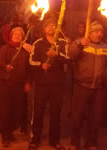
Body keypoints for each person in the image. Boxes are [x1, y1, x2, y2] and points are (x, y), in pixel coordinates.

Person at [69, 21, 107, 150]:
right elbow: (71, 55)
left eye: (101, 31)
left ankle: (91, 143)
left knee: (95, 118)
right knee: (77, 117)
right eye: (96, 31)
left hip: (98, 89)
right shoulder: (81, 43)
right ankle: (74, 143)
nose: (99, 34)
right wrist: (79, 45)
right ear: (89, 33)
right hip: (82, 86)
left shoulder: (106, 48)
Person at [28, 18, 69, 150]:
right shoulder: (38, 43)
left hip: (57, 83)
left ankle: (54, 140)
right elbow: (31, 61)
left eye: (54, 25)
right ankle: (35, 140)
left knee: (56, 112)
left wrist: (57, 55)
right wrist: (41, 65)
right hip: (41, 84)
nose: (51, 27)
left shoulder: (62, 42)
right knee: (38, 112)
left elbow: (68, 59)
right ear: (44, 29)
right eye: (48, 26)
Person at [0, 27, 31, 147]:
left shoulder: (25, 50)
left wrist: (27, 82)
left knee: (16, 111)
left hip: (19, 85)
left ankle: (10, 132)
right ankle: (5, 136)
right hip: (7, 84)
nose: (17, 35)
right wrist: (6, 67)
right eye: (15, 34)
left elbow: (28, 68)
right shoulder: (5, 48)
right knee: (5, 111)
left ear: (23, 37)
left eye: (20, 34)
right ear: (11, 36)